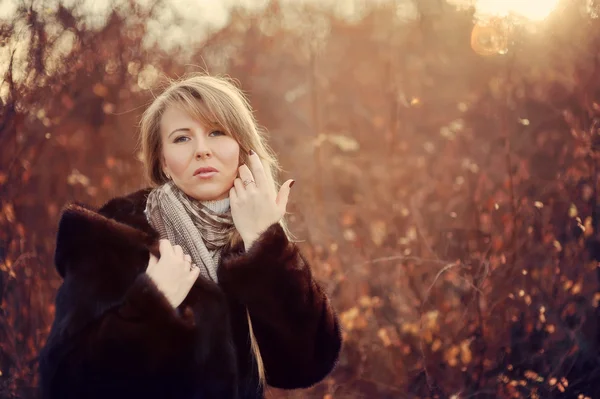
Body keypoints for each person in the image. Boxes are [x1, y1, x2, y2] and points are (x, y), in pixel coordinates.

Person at [39, 75, 342, 399]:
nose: (201, 150)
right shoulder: (110, 241)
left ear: (242, 149)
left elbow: (305, 364)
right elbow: (64, 382)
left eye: (217, 132)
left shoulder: (256, 239)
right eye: (182, 139)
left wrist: (262, 243)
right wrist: (149, 304)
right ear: (164, 163)